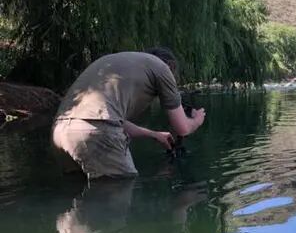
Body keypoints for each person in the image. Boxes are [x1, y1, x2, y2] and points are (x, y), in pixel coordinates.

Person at [52, 48, 206, 179]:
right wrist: (197, 119)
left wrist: (153, 134)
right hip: (94, 132)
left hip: (60, 132)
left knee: (76, 194)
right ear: (170, 66)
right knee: (121, 189)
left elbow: (106, 118)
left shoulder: (124, 63)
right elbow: (183, 128)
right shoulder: (162, 68)